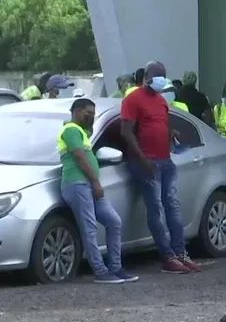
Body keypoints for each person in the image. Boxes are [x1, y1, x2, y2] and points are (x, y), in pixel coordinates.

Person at [121, 61, 202, 274]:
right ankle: (167, 256)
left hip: (165, 161)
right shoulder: (133, 99)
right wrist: (142, 159)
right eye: (157, 75)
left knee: (173, 208)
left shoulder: (161, 100)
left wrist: (170, 135)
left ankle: (180, 253)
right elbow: (126, 132)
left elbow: (162, 124)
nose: (160, 78)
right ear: (147, 76)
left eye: (163, 75)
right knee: (155, 208)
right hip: (146, 162)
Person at [58, 98, 138, 284]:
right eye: (88, 113)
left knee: (113, 221)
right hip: (77, 183)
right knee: (89, 228)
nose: (91, 117)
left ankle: (115, 267)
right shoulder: (70, 130)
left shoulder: (81, 132)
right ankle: (100, 271)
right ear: (76, 111)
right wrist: (95, 181)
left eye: (93, 114)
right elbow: (79, 156)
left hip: (87, 184)